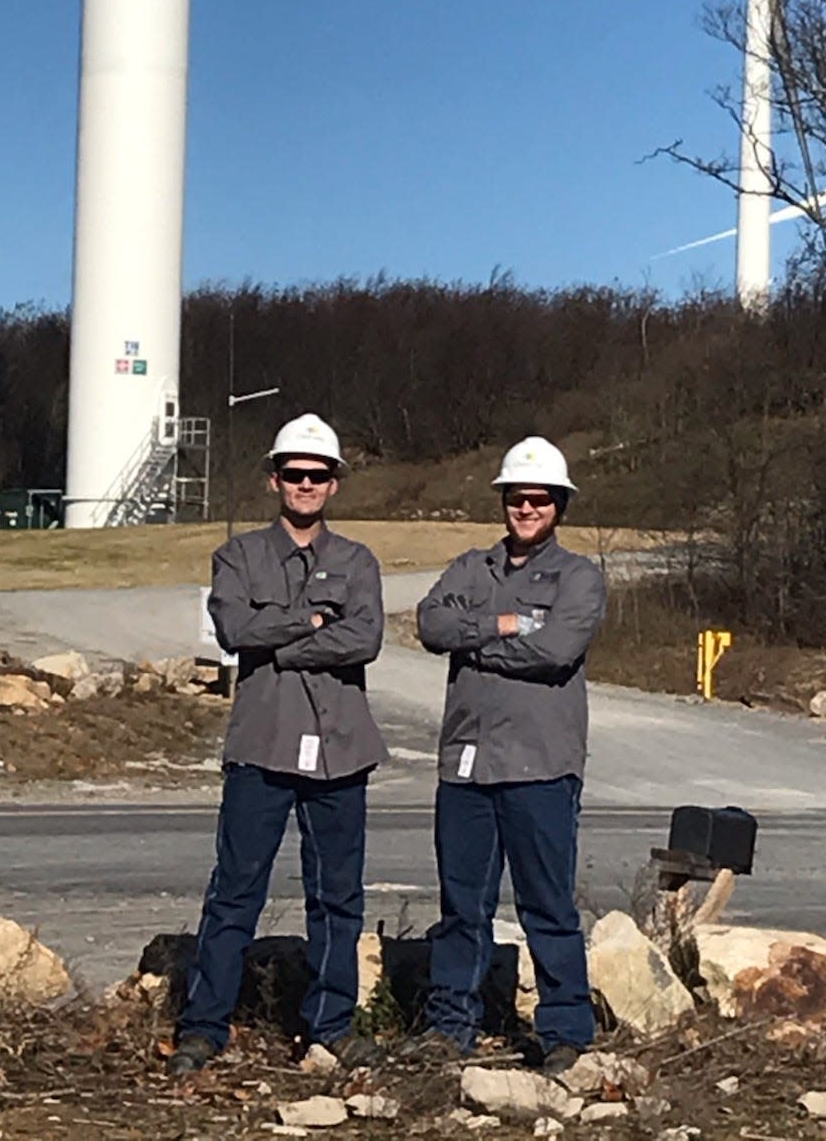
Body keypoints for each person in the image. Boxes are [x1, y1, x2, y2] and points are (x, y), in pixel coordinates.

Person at [168, 413, 387, 1076]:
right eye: (294, 473)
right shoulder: (238, 556)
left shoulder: (358, 561)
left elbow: (366, 638)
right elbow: (235, 628)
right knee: (236, 892)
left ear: (334, 484)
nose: (306, 484)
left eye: (318, 474)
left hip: (341, 748)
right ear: (275, 479)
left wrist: (282, 637)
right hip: (261, 747)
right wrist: (315, 620)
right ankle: (205, 1026)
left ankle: (332, 1026)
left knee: (338, 897)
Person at [412, 436, 606, 1073]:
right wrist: (504, 624)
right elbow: (431, 625)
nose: (526, 508)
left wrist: (475, 642)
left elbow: (555, 652)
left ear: (558, 506)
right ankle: (450, 1026)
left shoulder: (580, 577)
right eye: (517, 498)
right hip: (466, 764)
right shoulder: (473, 567)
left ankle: (565, 1033)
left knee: (547, 906)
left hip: (542, 767)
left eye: (539, 499)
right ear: (504, 501)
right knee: (461, 906)